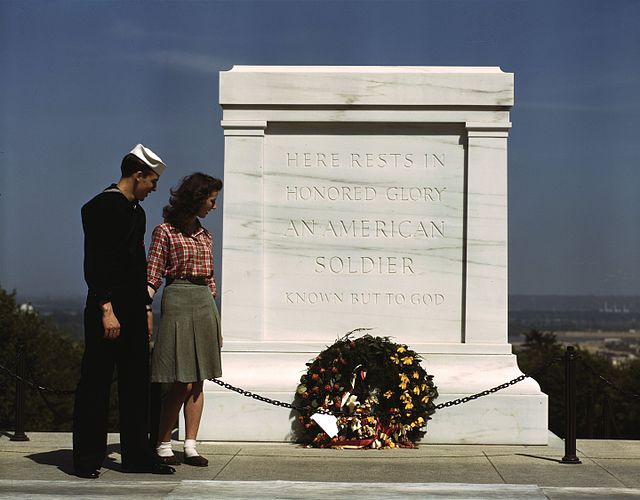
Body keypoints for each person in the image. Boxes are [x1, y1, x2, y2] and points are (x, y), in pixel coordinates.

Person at [73, 144, 175, 478]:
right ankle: (87, 460)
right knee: (97, 385)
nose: (154, 189)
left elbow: (136, 265)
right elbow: (97, 262)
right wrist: (106, 308)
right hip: (108, 309)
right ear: (137, 174)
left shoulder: (137, 212)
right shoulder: (101, 207)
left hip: (132, 309)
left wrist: (145, 307)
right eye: (152, 181)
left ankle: (137, 456)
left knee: (136, 386)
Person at [147, 172, 223, 467]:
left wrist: (215, 318)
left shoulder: (206, 235)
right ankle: (164, 441)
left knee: (199, 379)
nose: (213, 207)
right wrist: (145, 309)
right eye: (211, 200)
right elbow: (152, 274)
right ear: (198, 198)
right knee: (179, 380)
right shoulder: (164, 231)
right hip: (177, 297)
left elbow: (211, 279)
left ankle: (190, 444)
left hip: (204, 301)